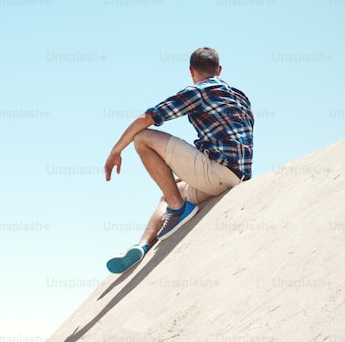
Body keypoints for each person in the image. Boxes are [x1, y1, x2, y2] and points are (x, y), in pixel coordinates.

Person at [103, 47, 254, 273]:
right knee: (172, 189)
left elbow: (147, 118)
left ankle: (178, 209)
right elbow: (231, 140)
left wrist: (115, 151)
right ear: (219, 70)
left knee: (143, 139)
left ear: (191, 71)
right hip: (238, 176)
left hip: (216, 172)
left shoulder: (199, 91)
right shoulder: (241, 97)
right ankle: (142, 246)